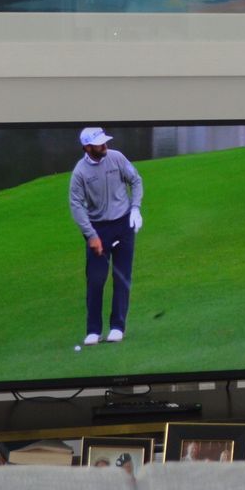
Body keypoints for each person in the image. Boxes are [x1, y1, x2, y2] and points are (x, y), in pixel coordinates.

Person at [69, 126, 144, 345]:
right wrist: (91, 235)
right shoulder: (80, 172)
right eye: (99, 143)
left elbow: (136, 180)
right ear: (87, 147)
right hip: (98, 229)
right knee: (95, 279)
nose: (105, 145)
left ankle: (117, 327)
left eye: (104, 141)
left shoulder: (116, 158)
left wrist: (136, 208)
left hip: (123, 223)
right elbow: (76, 206)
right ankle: (93, 330)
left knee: (121, 277)